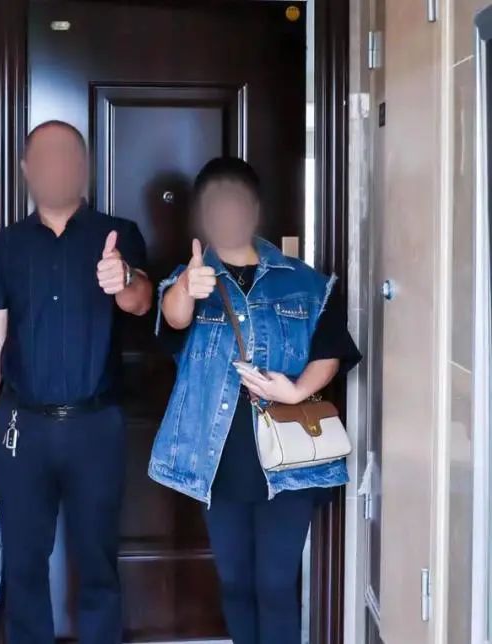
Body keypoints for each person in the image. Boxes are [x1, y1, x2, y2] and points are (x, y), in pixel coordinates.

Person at [150, 157, 361, 644]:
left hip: (289, 460)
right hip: (218, 459)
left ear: (254, 208)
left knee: (275, 585)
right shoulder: (190, 278)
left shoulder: (305, 282)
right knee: (236, 582)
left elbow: (330, 351)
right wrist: (186, 287)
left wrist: (296, 390)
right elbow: (173, 319)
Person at [0, 120, 153, 644]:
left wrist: (125, 278)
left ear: (83, 166)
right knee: (24, 562)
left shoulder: (117, 234)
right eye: (44, 157)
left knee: (96, 561)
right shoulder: (6, 245)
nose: (55, 166)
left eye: (66, 155)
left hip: (96, 425)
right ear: (27, 169)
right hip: (20, 427)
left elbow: (142, 302)